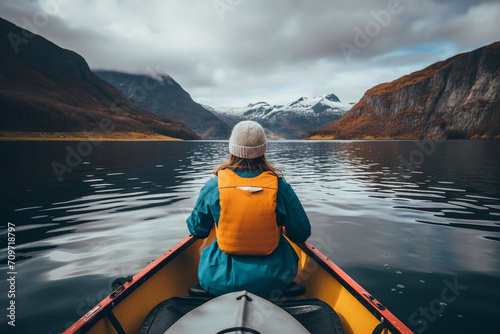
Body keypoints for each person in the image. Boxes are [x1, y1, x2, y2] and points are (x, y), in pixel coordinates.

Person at [186, 121, 311, 298]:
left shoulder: (214, 186)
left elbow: (197, 230)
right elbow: (301, 233)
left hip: (219, 280)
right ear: (263, 150)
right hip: (274, 281)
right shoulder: (279, 186)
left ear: (232, 149)